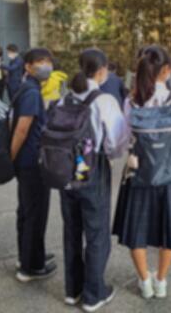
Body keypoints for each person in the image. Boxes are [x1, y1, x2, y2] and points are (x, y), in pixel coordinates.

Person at [113, 46, 171, 299]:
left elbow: (125, 139)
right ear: (166, 70)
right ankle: (161, 281)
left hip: (139, 174)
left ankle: (145, 281)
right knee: (169, 229)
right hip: (169, 174)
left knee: (136, 230)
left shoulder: (131, 102)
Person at [60, 49, 128, 312]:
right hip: (92, 169)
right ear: (102, 70)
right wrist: (111, 156)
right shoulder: (104, 100)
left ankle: (72, 290)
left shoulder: (65, 98)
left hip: (65, 170)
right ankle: (93, 294)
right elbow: (117, 142)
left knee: (72, 230)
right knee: (97, 232)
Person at [11, 48, 56, 282]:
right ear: (28, 66)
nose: (45, 66)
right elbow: (22, 128)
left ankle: (29, 255)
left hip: (27, 161)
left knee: (27, 211)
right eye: (40, 62)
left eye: (48, 61)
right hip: (32, 162)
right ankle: (31, 267)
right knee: (35, 214)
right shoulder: (31, 92)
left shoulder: (27, 87)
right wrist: (11, 157)